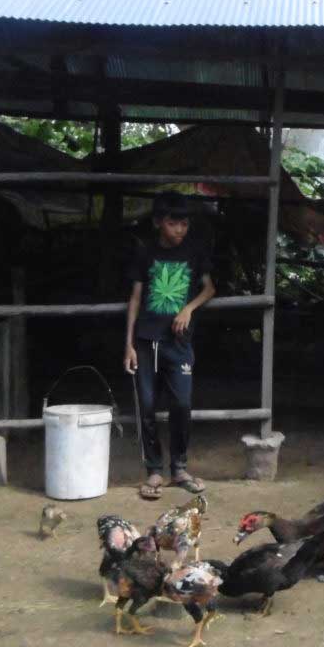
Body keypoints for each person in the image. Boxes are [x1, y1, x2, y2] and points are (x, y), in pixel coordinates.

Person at [125, 191, 216, 500]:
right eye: (173, 223)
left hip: (179, 344)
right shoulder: (145, 253)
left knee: (182, 404)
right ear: (158, 223)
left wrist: (188, 308)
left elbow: (210, 288)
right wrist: (129, 344)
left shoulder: (194, 251)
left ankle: (179, 468)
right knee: (147, 406)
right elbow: (136, 299)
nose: (180, 229)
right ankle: (154, 470)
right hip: (146, 341)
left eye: (184, 223)